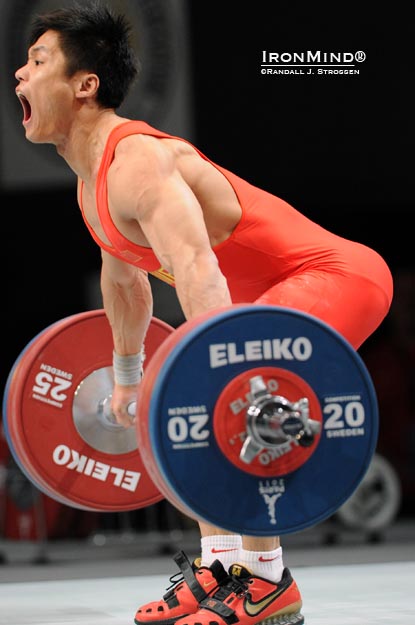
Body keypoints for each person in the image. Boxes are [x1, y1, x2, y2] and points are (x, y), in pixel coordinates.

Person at [14, 3, 393, 625]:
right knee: (176, 400)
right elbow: (126, 283)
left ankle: (268, 583)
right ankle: (222, 568)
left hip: (335, 278)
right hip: (261, 301)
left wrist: (221, 370)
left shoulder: (138, 159)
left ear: (86, 85)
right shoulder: (90, 184)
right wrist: (131, 376)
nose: (20, 77)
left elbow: (196, 270)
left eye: (37, 61)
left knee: (212, 396)